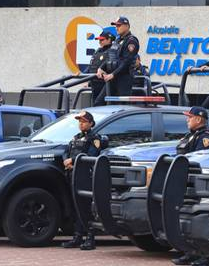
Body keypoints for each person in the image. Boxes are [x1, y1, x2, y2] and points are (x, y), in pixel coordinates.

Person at [172, 106, 209, 266]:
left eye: (190, 117)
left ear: (198, 119)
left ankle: (204, 255)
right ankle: (190, 252)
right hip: (186, 183)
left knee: (198, 220)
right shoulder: (191, 136)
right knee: (185, 218)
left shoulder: (205, 138)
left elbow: (199, 160)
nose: (187, 120)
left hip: (197, 185)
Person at [62, 110, 104, 251]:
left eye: (84, 121)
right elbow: (66, 151)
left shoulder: (94, 138)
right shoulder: (76, 137)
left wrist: (73, 160)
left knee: (85, 207)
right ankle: (77, 237)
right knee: (75, 206)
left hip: (85, 176)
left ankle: (90, 238)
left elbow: (92, 154)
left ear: (91, 123)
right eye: (79, 121)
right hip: (72, 174)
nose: (81, 124)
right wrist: (67, 161)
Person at [98, 16, 139, 97]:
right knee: (99, 102)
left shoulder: (131, 41)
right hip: (112, 79)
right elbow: (110, 57)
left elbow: (127, 62)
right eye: (116, 26)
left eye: (119, 25)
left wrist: (113, 74)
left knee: (121, 104)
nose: (116, 28)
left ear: (127, 26)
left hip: (124, 79)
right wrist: (101, 68)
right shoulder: (117, 40)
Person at [88, 29, 114, 106]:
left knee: (99, 104)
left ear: (109, 40)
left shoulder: (112, 51)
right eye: (99, 40)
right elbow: (91, 65)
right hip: (94, 83)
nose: (100, 42)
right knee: (94, 105)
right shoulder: (98, 51)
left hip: (105, 83)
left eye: (102, 40)